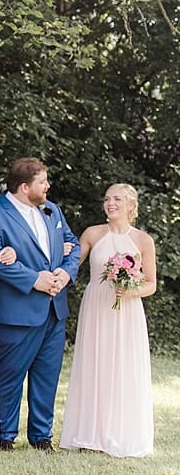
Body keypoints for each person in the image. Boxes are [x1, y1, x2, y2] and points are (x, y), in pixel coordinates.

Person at [0, 157, 80, 452]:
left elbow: (74, 244)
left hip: (55, 310)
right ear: (24, 187)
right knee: (9, 376)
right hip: (16, 311)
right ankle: (4, 435)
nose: (48, 186)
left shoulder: (53, 210)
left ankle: (41, 436)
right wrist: (35, 279)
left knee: (47, 375)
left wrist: (65, 273)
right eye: (42, 182)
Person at [60, 183, 156, 456]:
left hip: (127, 311)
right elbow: (70, 263)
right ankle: (90, 432)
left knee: (123, 367)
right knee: (95, 363)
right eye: (107, 199)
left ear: (130, 205)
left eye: (117, 199)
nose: (110, 203)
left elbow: (151, 284)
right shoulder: (92, 233)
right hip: (97, 307)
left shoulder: (142, 241)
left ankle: (120, 433)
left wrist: (130, 290)